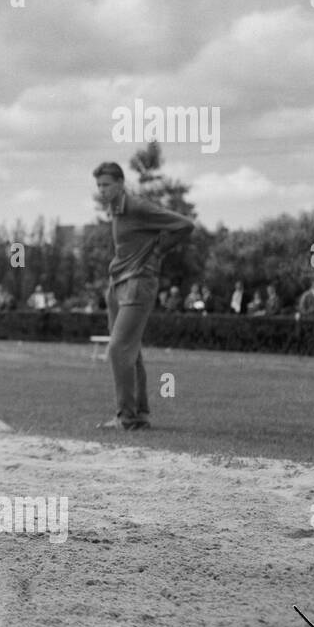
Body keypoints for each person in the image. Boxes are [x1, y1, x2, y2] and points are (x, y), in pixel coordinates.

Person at [93, 161, 195, 431]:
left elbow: (185, 225)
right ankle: (139, 415)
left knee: (117, 349)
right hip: (118, 283)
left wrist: (160, 250)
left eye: (106, 185)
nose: (101, 190)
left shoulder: (137, 206)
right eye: (98, 185)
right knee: (130, 351)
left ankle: (126, 417)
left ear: (120, 183)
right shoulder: (115, 210)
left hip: (138, 283)